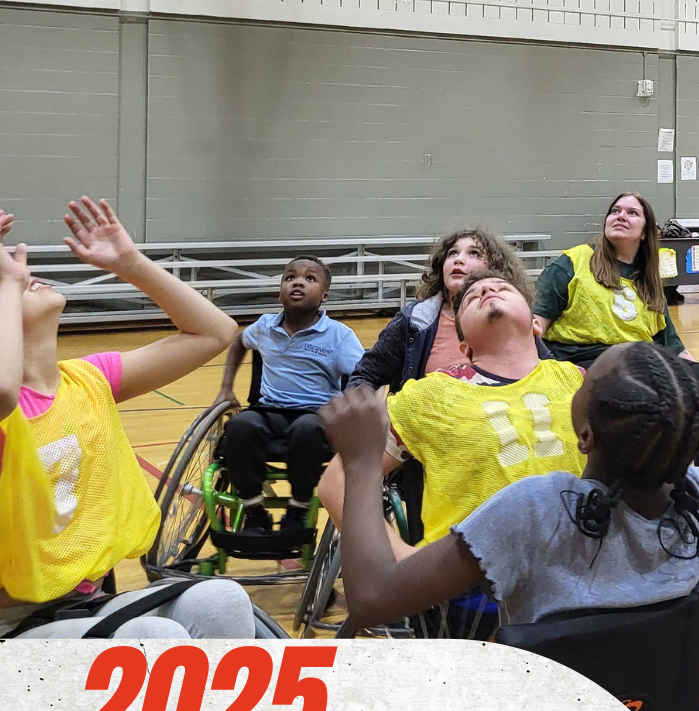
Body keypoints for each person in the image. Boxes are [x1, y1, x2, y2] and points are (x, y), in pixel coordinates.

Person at [319, 345, 699, 635]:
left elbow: (372, 600)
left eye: (588, 377)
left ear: (585, 435)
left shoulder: (539, 508)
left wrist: (359, 463)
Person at [0, 197, 253, 645]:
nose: (24, 271)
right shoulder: (7, 409)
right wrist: (6, 281)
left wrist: (130, 262)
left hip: (87, 602)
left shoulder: (90, 379)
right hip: (13, 621)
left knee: (223, 599)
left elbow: (214, 332)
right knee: (151, 636)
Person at [319, 271, 585, 555]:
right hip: (474, 585)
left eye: (502, 288)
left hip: (579, 568)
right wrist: (398, 558)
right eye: (471, 298)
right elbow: (335, 481)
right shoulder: (429, 395)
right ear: (465, 347)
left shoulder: (578, 380)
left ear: (536, 325)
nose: (486, 291)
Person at [531, 192, 699, 473]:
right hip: (582, 365)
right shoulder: (572, 263)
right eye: (615, 211)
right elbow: (535, 327)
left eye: (632, 213)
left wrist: (694, 384)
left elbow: (673, 348)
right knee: (637, 395)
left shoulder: (649, 281)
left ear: (646, 233)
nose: (621, 216)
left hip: (638, 364)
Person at [214, 256, 363, 544]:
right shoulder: (265, 326)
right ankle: (254, 511)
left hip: (315, 414)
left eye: (310, 279)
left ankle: (299, 508)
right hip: (269, 410)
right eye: (290, 277)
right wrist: (226, 388)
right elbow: (238, 342)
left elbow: (364, 372)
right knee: (241, 427)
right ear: (279, 291)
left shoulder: (339, 336)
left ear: (324, 296)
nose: (298, 282)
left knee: (306, 431)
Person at [351, 228, 527, 393]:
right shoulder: (414, 321)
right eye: (452, 253)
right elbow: (366, 374)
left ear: (495, 268)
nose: (459, 259)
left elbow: (544, 374)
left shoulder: (514, 317)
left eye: (474, 253)